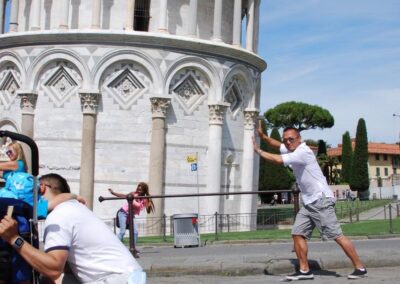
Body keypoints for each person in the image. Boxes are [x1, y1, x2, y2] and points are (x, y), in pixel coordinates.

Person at [253, 123, 367, 280]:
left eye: (291, 139)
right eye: (285, 139)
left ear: (299, 139)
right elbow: (278, 145)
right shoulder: (292, 148)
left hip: (320, 200)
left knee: (337, 235)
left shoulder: (302, 152)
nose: (287, 142)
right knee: (297, 233)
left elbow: (279, 160)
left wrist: (258, 150)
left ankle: (360, 268)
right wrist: (263, 137)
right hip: (308, 202)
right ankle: (305, 270)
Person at [0, 173, 145, 283]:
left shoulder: (59, 215)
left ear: (42, 187)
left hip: (116, 279)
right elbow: (62, 272)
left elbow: (53, 268)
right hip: (127, 277)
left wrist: (14, 239)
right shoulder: (73, 209)